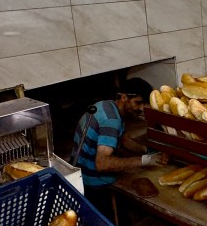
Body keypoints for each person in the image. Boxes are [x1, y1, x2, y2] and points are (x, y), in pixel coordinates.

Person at [70, 77, 167, 214]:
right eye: (137, 102)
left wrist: (147, 151)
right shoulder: (112, 121)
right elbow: (102, 164)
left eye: (144, 103)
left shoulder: (107, 106)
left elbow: (122, 140)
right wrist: (145, 160)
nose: (141, 108)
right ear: (123, 97)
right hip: (93, 182)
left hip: (81, 170)